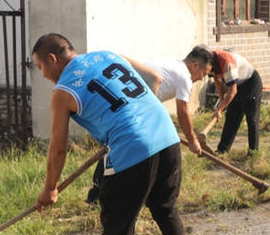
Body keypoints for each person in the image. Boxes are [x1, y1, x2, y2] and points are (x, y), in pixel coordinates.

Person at [31, 33, 192, 235]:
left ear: (52, 59)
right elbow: (154, 78)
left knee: (117, 219)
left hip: (132, 148)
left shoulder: (63, 92)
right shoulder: (107, 55)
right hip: (166, 136)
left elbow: (58, 148)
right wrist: (138, 117)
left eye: (40, 67)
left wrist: (50, 189)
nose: (43, 75)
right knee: (165, 206)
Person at [86, 45, 213, 204]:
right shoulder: (184, 77)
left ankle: (99, 194)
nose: (202, 78)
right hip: (133, 110)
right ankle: (102, 194)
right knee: (123, 150)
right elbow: (183, 112)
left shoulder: (172, 64)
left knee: (116, 148)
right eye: (204, 73)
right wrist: (193, 140)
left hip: (127, 105)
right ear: (195, 66)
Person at [210, 50, 262, 153]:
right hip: (235, 85)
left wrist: (219, 109)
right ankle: (222, 151)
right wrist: (221, 101)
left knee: (251, 119)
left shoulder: (226, 62)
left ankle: (253, 153)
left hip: (250, 82)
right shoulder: (210, 61)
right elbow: (217, 80)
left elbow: (233, 91)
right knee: (231, 117)